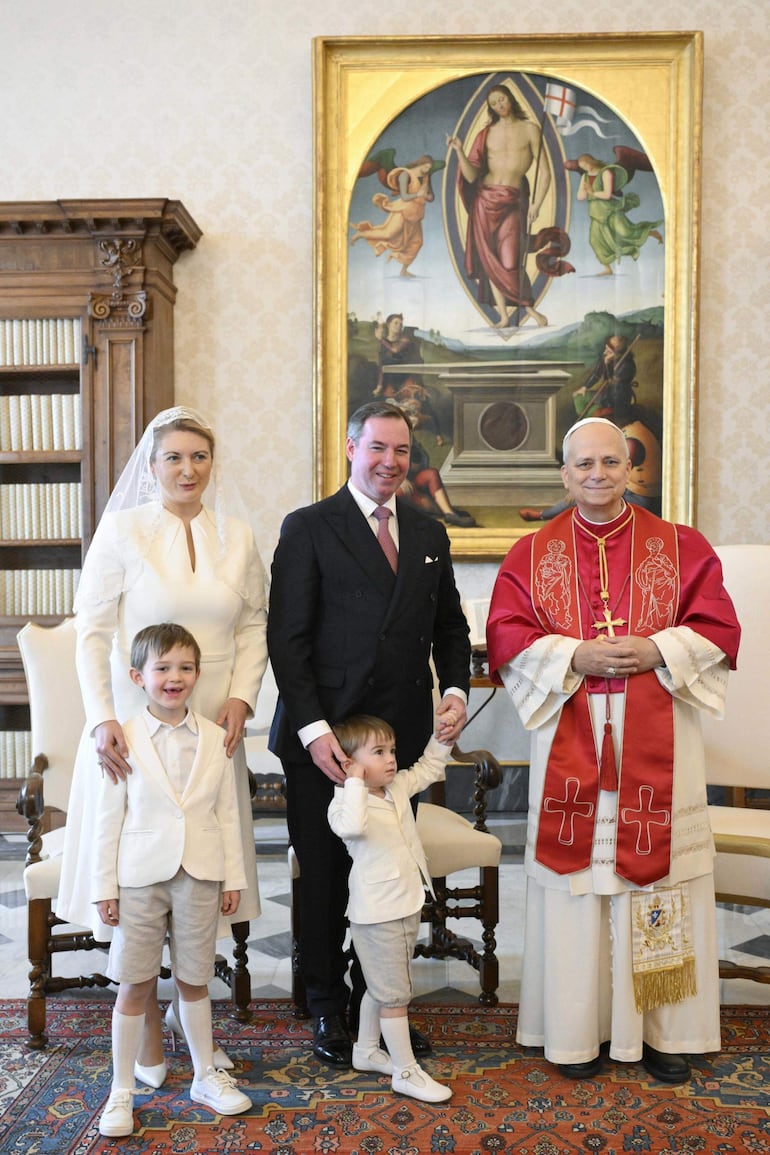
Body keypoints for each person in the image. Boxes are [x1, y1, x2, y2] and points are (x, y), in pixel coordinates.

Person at [486, 417, 740, 1084]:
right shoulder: (531, 551)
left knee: (658, 882)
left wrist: (657, 648)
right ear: (564, 474)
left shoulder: (681, 545)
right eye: (583, 464)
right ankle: (576, 1032)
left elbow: (717, 625)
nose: (597, 474)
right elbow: (506, 632)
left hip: (658, 737)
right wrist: (576, 652)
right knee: (580, 885)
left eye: (610, 461)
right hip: (573, 731)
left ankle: (662, 1030)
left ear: (631, 467)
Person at [58, 405, 268, 1081]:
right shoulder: (122, 532)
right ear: (151, 467)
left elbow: (253, 628)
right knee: (142, 868)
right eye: (173, 457)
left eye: (198, 457)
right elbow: (91, 631)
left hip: (212, 730)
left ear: (212, 465)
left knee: (203, 867)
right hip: (133, 730)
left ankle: (193, 1013)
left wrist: (241, 694)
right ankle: (147, 1023)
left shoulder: (236, 536)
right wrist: (100, 719)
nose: (186, 469)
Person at [267, 398, 470, 1068]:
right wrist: (314, 731)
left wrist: (457, 689)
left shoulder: (427, 532)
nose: (390, 462)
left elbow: (451, 629)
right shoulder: (309, 526)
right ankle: (326, 1006)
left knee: (383, 879)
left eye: (402, 451)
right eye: (378, 448)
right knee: (325, 878)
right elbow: (287, 640)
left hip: (397, 744)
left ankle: (376, 1007)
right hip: (324, 743)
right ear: (351, 448)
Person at [94, 623, 252, 1137]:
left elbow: (227, 812)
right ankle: (121, 1090)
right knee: (135, 983)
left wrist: (233, 877)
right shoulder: (124, 738)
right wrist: (104, 886)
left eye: (185, 667)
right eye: (163, 668)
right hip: (140, 876)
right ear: (139, 676)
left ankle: (205, 1075)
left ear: (198, 674)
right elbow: (108, 817)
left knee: (195, 979)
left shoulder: (214, 737)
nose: (174, 677)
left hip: (201, 873)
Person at [327, 713, 456, 1103]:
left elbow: (429, 767)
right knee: (396, 995)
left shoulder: (396, 788)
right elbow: (352, 827)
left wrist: (442, 738)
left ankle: (366, 1050)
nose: (390, 759)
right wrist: (352, 781)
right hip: (377, 911)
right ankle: (405, 1071)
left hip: (406, 901)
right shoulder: (345, 804)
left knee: (380, 986)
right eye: (378, 752)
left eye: (392, 750)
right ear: (348, 761)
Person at [447, 85, 572, 329]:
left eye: (501, 99)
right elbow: (471, 177)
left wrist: (536, 204)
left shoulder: (531, 130)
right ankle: (504, 315)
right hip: (484, 201)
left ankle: (530, 309)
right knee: (489, 260)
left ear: (511, 99)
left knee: (510, 260)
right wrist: (460, 151)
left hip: (513, 202)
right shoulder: (486, 134)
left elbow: (545, 173)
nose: (499, 106)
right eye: (493, 104)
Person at [575, 153, 663, 276]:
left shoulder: (605, 173)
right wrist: (584, 191)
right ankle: (608, 269)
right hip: (595, 213)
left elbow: (607, 195)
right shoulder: (584, 177)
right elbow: (580, 197)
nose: (585, 168)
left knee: (625, 232)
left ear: (592, 161)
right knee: (594, 241)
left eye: (586, 165)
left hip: (610, 210)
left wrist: (592, 192)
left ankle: (651, 233)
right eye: (583, 167)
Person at [351, 156, 439, 277]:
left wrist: (427, 196)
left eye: (429, 168)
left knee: (417, 242)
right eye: (426, 167)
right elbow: (404, 197)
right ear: (421, 163)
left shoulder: (426, 178)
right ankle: (361, 234)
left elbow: (431, 197)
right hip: (403, 210)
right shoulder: (405, 175)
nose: (427, 170)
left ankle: (404, 270)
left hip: (416, 215)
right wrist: (418, 194)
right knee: (388, 233)